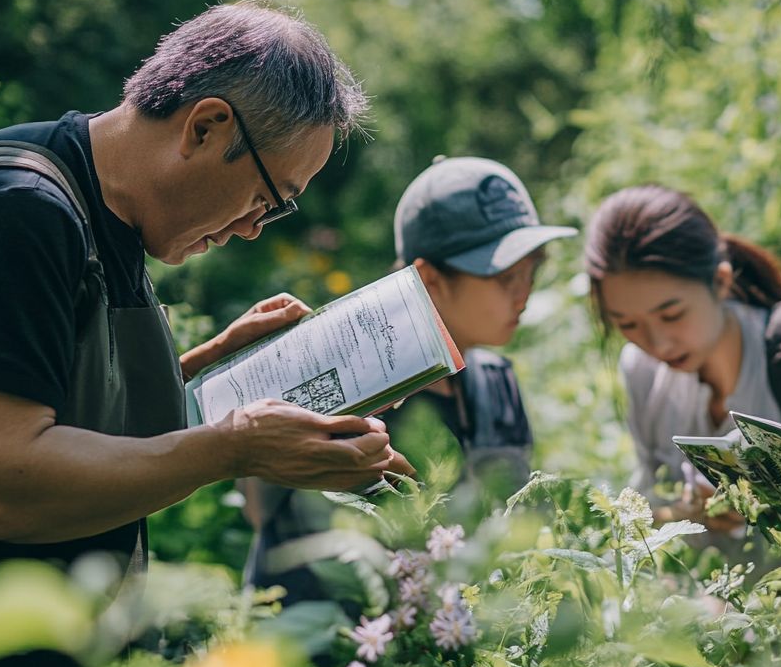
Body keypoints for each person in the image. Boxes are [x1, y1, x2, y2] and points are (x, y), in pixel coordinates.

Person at [0, 1, 410, 667]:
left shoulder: (109, 218)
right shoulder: (24, 211)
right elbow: (8, 478)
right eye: (266, 196)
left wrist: (209, 368)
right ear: (206, 125)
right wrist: (234, 449)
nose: (253, 228)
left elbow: (63, 401)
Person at [243, 157, 576, 599]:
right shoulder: (346, 384)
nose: (525, 292)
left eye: (533, 270)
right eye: (506, 277)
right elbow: (263, 510)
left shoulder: (497, 383)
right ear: (429, 278)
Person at [583, 185, 781, 525]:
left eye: (672, 316)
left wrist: (768, 511)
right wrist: (688, 516)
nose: (658, 344)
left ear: (721, 281)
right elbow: (647, 513)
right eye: (627, 324)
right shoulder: (641, 368)